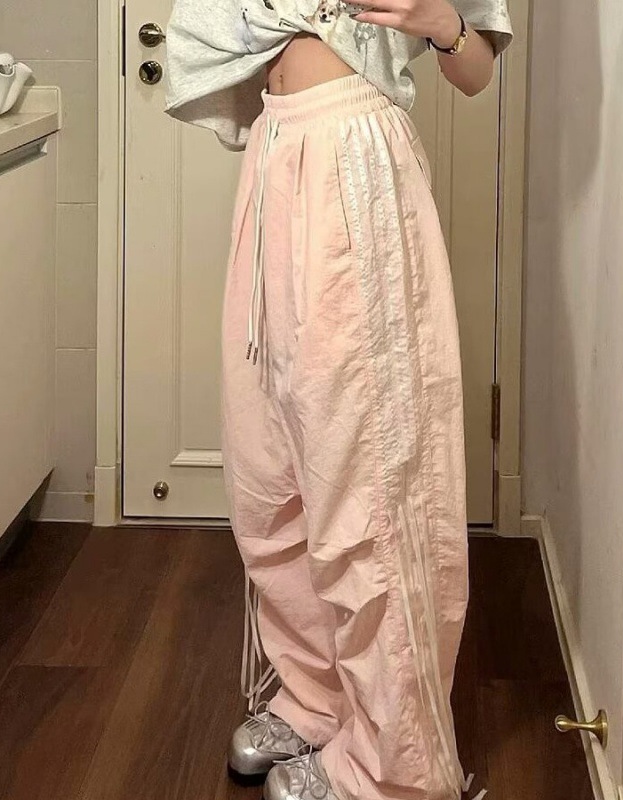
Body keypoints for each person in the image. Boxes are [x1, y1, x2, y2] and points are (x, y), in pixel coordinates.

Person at [165, 0, 511, 797]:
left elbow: (476, 73)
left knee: (369, 476)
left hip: (357, 156)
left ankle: (397, 766)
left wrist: (442, 22)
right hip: (275, 153)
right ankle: (318, 699)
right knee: (272, 465)